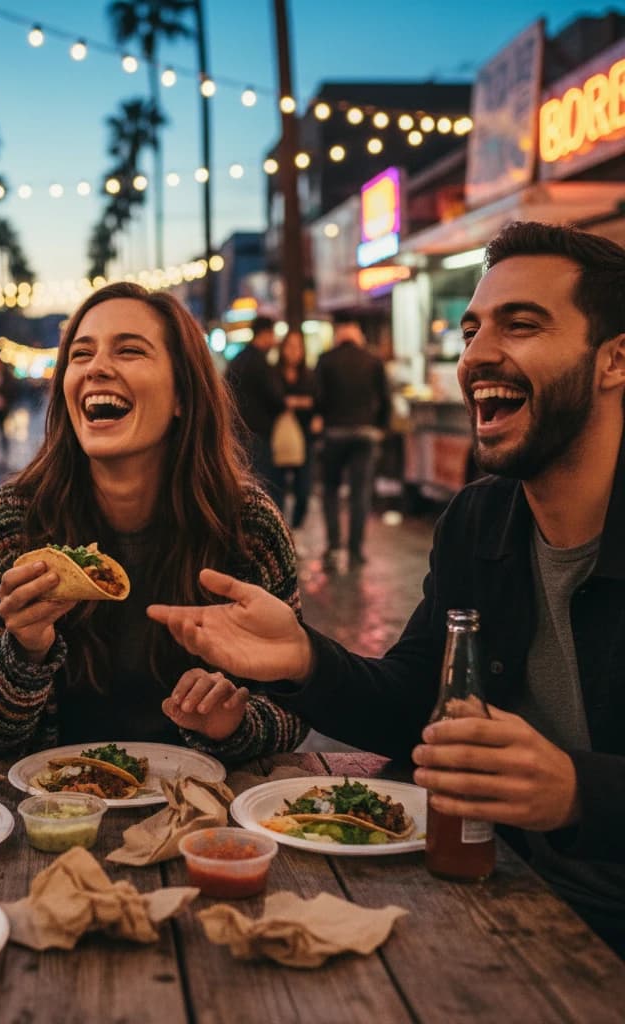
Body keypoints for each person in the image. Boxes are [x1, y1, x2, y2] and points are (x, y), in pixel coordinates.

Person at [148, 222, 625, 954]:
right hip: (508, 897)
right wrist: (303, 659)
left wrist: (577, 791)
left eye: (522, 325)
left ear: (614, 359)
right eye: (472, 331)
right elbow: (413, 709)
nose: (477, 355)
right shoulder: (476, 520)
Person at [0, 282, 307, 761]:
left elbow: (295, 704)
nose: (96, 367)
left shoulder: (248, 526)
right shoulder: (13, 522)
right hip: (47, 800)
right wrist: (24, 653)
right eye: (81, 354)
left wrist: (235, 723)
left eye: (130, 350)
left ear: (182, 394)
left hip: (203, 804)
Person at [314, 317, 390, 566]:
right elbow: (385, 398)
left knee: (331, 490)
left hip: (334, 433)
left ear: (339, 334)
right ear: (358, 334)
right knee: (360, 493)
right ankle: (356, 550)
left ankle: (334, 546)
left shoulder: (326, 360)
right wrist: (381, 427)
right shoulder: (372, 359)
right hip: (365, 433)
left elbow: (318, 398)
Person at [225, 314, 287, 507]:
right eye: (272, 334)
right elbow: (276, 398)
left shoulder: (238, 360)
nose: (274, 340)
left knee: (244, 482)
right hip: (259, 432)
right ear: (264, 334)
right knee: (264, 484)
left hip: (237, 430)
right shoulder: (261, 363)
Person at [271, 329, 318, 530]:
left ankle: (295, 528)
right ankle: (280, 530)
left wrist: (293, 403)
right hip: (278, 437)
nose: (293, 351)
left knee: (303, 489)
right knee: (276, 487)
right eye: (290, 346)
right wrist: (300, 402)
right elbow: (271, 400)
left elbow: (317, 401)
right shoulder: (273, 373)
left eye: (298, 346)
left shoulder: (309, 375)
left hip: (304, 436)